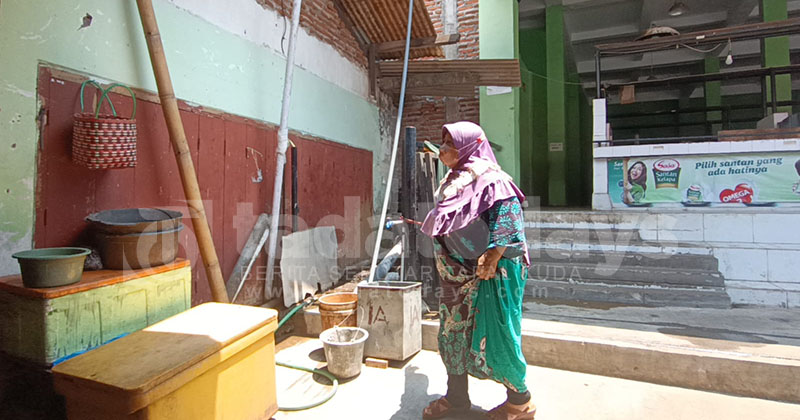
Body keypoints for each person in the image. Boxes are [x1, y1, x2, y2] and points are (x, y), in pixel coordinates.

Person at [420, 122, 534, 420]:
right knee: (453, 334)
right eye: (442, 142)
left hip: (489, 275)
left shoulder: (491, 179)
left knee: (497, 334)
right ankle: (456, 398)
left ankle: (520, 403)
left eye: (450, 144)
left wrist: (492, 257)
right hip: (456, 278)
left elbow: (509, 220)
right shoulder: (455, 179)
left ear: (470, 146)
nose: (443, 149)